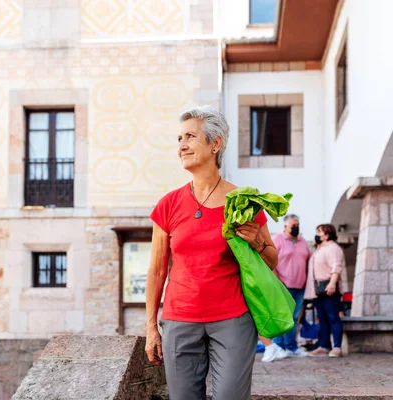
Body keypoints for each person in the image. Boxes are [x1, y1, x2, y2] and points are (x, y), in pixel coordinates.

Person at [144, 106, 279, 400]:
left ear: (215, 144)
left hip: (233, 320)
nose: (182, 145)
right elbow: (156, 271)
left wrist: (257, 240)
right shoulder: (168, 205)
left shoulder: (243, 202)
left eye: (190, 136)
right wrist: (151, 327)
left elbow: (271, 260)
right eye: (179, 138)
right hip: (179, 320)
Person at [270, 214, 311, 358]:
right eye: (293, 225)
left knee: (294, 318)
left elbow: (308, 261)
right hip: (283, 285)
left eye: (298, 225)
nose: (296, 227)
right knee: (281, 317)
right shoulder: (277, 239)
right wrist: (276, 280)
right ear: (285, 226)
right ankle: (278, 347)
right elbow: (269, 260)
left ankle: (291, 347)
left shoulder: (303, 242)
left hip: (299, 286)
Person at [305, 224, 346, 358]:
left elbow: (336, 266)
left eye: (319, 232)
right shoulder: (319, 249)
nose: (317, 234)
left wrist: (333, 283)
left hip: (328, 288)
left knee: (333, 317)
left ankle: (337, 347)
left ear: (327, 234)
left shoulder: (333, 248)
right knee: (322, 318)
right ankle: (324, 345)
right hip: (318, 290)